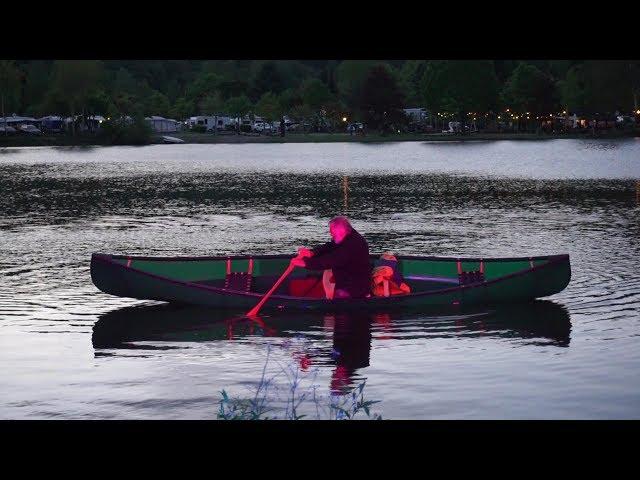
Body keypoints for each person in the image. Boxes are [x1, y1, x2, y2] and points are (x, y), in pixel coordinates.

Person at [290, 216, 371, 299]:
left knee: (339, 299)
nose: (330, 233)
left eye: (332, 231)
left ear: (341, 230)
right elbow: (329, 247)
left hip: (355, 289)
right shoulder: (346, 236)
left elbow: (331, 260)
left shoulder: (353, 244)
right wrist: (312, 253)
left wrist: (305, 263)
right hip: (346, 283)